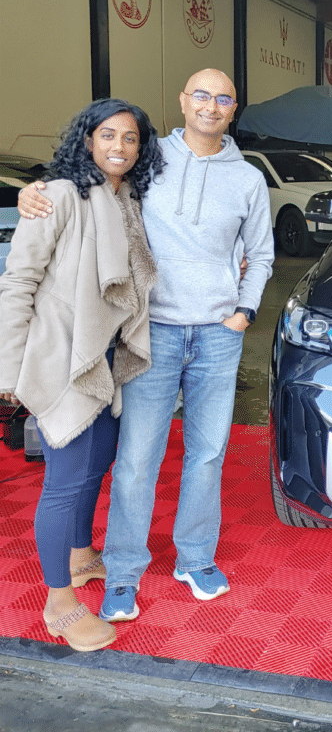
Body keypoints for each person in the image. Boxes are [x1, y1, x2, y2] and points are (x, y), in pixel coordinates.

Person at [18, 69, 275, 624]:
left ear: (234, 109)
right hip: (148, 333)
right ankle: (125, 569)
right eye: (200, 95)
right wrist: (32, 192)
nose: (211, 106)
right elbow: (89, 183)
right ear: (183, 102)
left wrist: (242, 312)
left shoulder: (248, 179)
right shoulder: (147, 158)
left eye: (223, 98)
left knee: (208, 453)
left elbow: (263, 254)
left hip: (217, 334)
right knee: (137, 457)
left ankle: (195, 558)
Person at [0, 99, 162, 651]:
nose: (119, 146)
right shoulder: (58, 196)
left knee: (96, 464)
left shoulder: (128, 201)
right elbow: (18, 282)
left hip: (106, 362)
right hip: (61, 358)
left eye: (131, 138)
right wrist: (8, 367)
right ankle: (59, 602)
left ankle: (79, 555)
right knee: (65, 482)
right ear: (87, 140)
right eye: (108, 135)